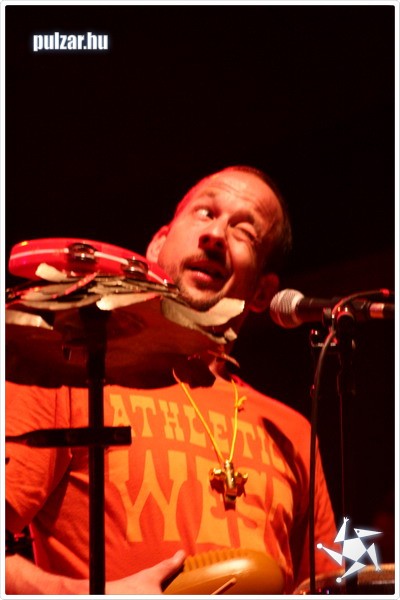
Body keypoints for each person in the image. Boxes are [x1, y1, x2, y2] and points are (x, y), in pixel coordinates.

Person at [5, 165, 338, 594]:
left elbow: (322, 584)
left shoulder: (292, 431)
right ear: (158, 244)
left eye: (245, 232)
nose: (216, 235)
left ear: (262, 290)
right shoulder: (68, 376)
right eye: (205, 213)